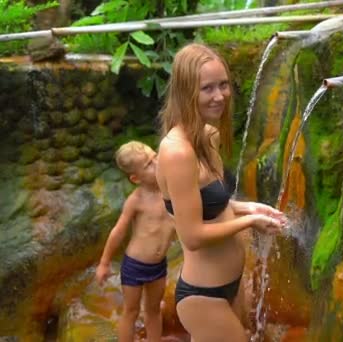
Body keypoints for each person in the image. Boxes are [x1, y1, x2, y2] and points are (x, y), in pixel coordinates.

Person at [155, 43, 285, 341]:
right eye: (207, 88)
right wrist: (249, 223)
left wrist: (251, 207)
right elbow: (192, 235)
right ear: (187, 92)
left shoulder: (208, 136)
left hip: (230, 285)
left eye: (223, 85)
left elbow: (213, 205)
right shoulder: (177, 153)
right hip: (204, 297)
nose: (220, 96)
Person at [95, 141, 175, 342]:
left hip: (159, 266)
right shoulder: (137, 199)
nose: (157, 162)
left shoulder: (173, 190)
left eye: (155, 156)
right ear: (135, 178)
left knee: (153, 310)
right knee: (130, 311)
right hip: (135, 266)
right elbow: (119, 231)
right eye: (148, 164)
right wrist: (104, 263)